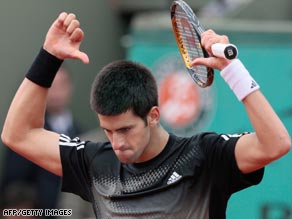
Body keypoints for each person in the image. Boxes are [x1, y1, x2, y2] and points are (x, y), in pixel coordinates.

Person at [1, 12, 291, 219]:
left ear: (153, 115)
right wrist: (49, 56)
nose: (116, 142)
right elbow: (18, 134)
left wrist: (232, 69)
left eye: (125, 129)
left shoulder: (205, 156)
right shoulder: (94, 162)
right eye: (108, 131)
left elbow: (275, 143)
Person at [0, 65, 82, 218]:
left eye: (62, 85)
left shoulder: (82, 134)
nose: (57, 92)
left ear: (70, 87)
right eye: (52, 85)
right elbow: (14, 183)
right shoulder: (25, 133)